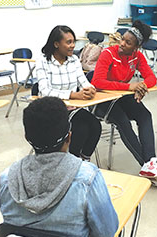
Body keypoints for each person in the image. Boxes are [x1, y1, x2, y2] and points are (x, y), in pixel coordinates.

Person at [0, 97, 118, 237]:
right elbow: (105, 234)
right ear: (69, 136)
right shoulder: (87, 177)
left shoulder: (7, 177)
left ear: (26, 136)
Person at [91, 20, 157, 183]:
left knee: (145, 115)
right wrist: (130, 87)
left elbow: (152, 79)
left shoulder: (137, 56)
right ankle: (147, 165)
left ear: (136, 47)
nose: (122, 44)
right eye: (122, 39)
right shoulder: (108, 53)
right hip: (103, 99)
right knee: (122, 121)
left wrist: (141, 87)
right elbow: (97, 82)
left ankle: (151, 162)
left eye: (128, 42)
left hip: (122, 96)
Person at [35, 25, 101, 161]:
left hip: (72, 107)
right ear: (56, 44)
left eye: (73, 42)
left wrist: (90, 89)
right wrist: (73, 95)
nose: (72, 46)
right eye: (68, 42)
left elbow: (83, 81)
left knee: (95, 126)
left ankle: (84, 159)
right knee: (81, 128)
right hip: (52, 110)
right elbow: (45, 91)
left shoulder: (74, 60)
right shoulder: (43, 62)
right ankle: (72, 162)